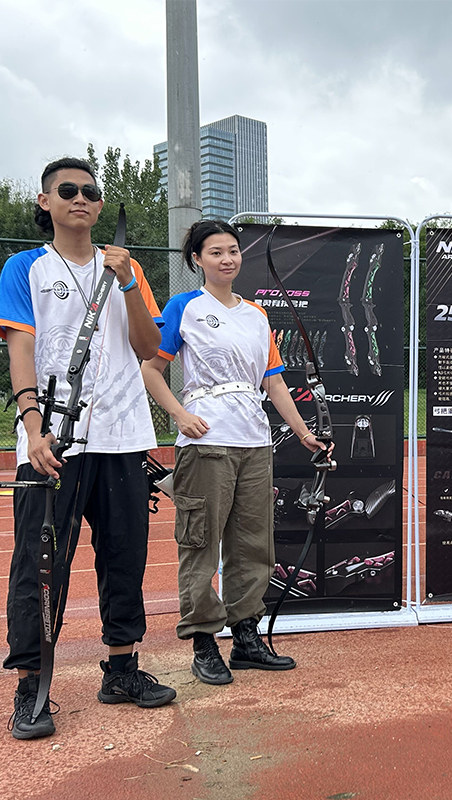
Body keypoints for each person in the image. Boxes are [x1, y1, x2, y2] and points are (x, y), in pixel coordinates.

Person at [1, 157, 175, 740]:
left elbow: (148, 346)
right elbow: (21, 350)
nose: (81, 198)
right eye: (67, 190)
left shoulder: (126, 267)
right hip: (53, 440)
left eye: (90, 191)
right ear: (45, 202)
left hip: (124, 437)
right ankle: (31, 685)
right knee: (39, 562)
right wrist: (32, 426)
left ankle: (121, 669)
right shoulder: (24, 268)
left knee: (124, 554)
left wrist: (126, 282)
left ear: (100, 206)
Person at [141, 220, 330, 685]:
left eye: (233, 250)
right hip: (206, 441)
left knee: (252, 544)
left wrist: (302, 432)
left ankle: (246, 636)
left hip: (255, 442)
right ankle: (203, 641)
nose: (227, 259)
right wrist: (179, 415)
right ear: (197, 259)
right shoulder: (185, 306)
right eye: (215, 252)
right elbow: (150, 369)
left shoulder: (256, 315)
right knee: (200, 542)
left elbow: (274, 381)